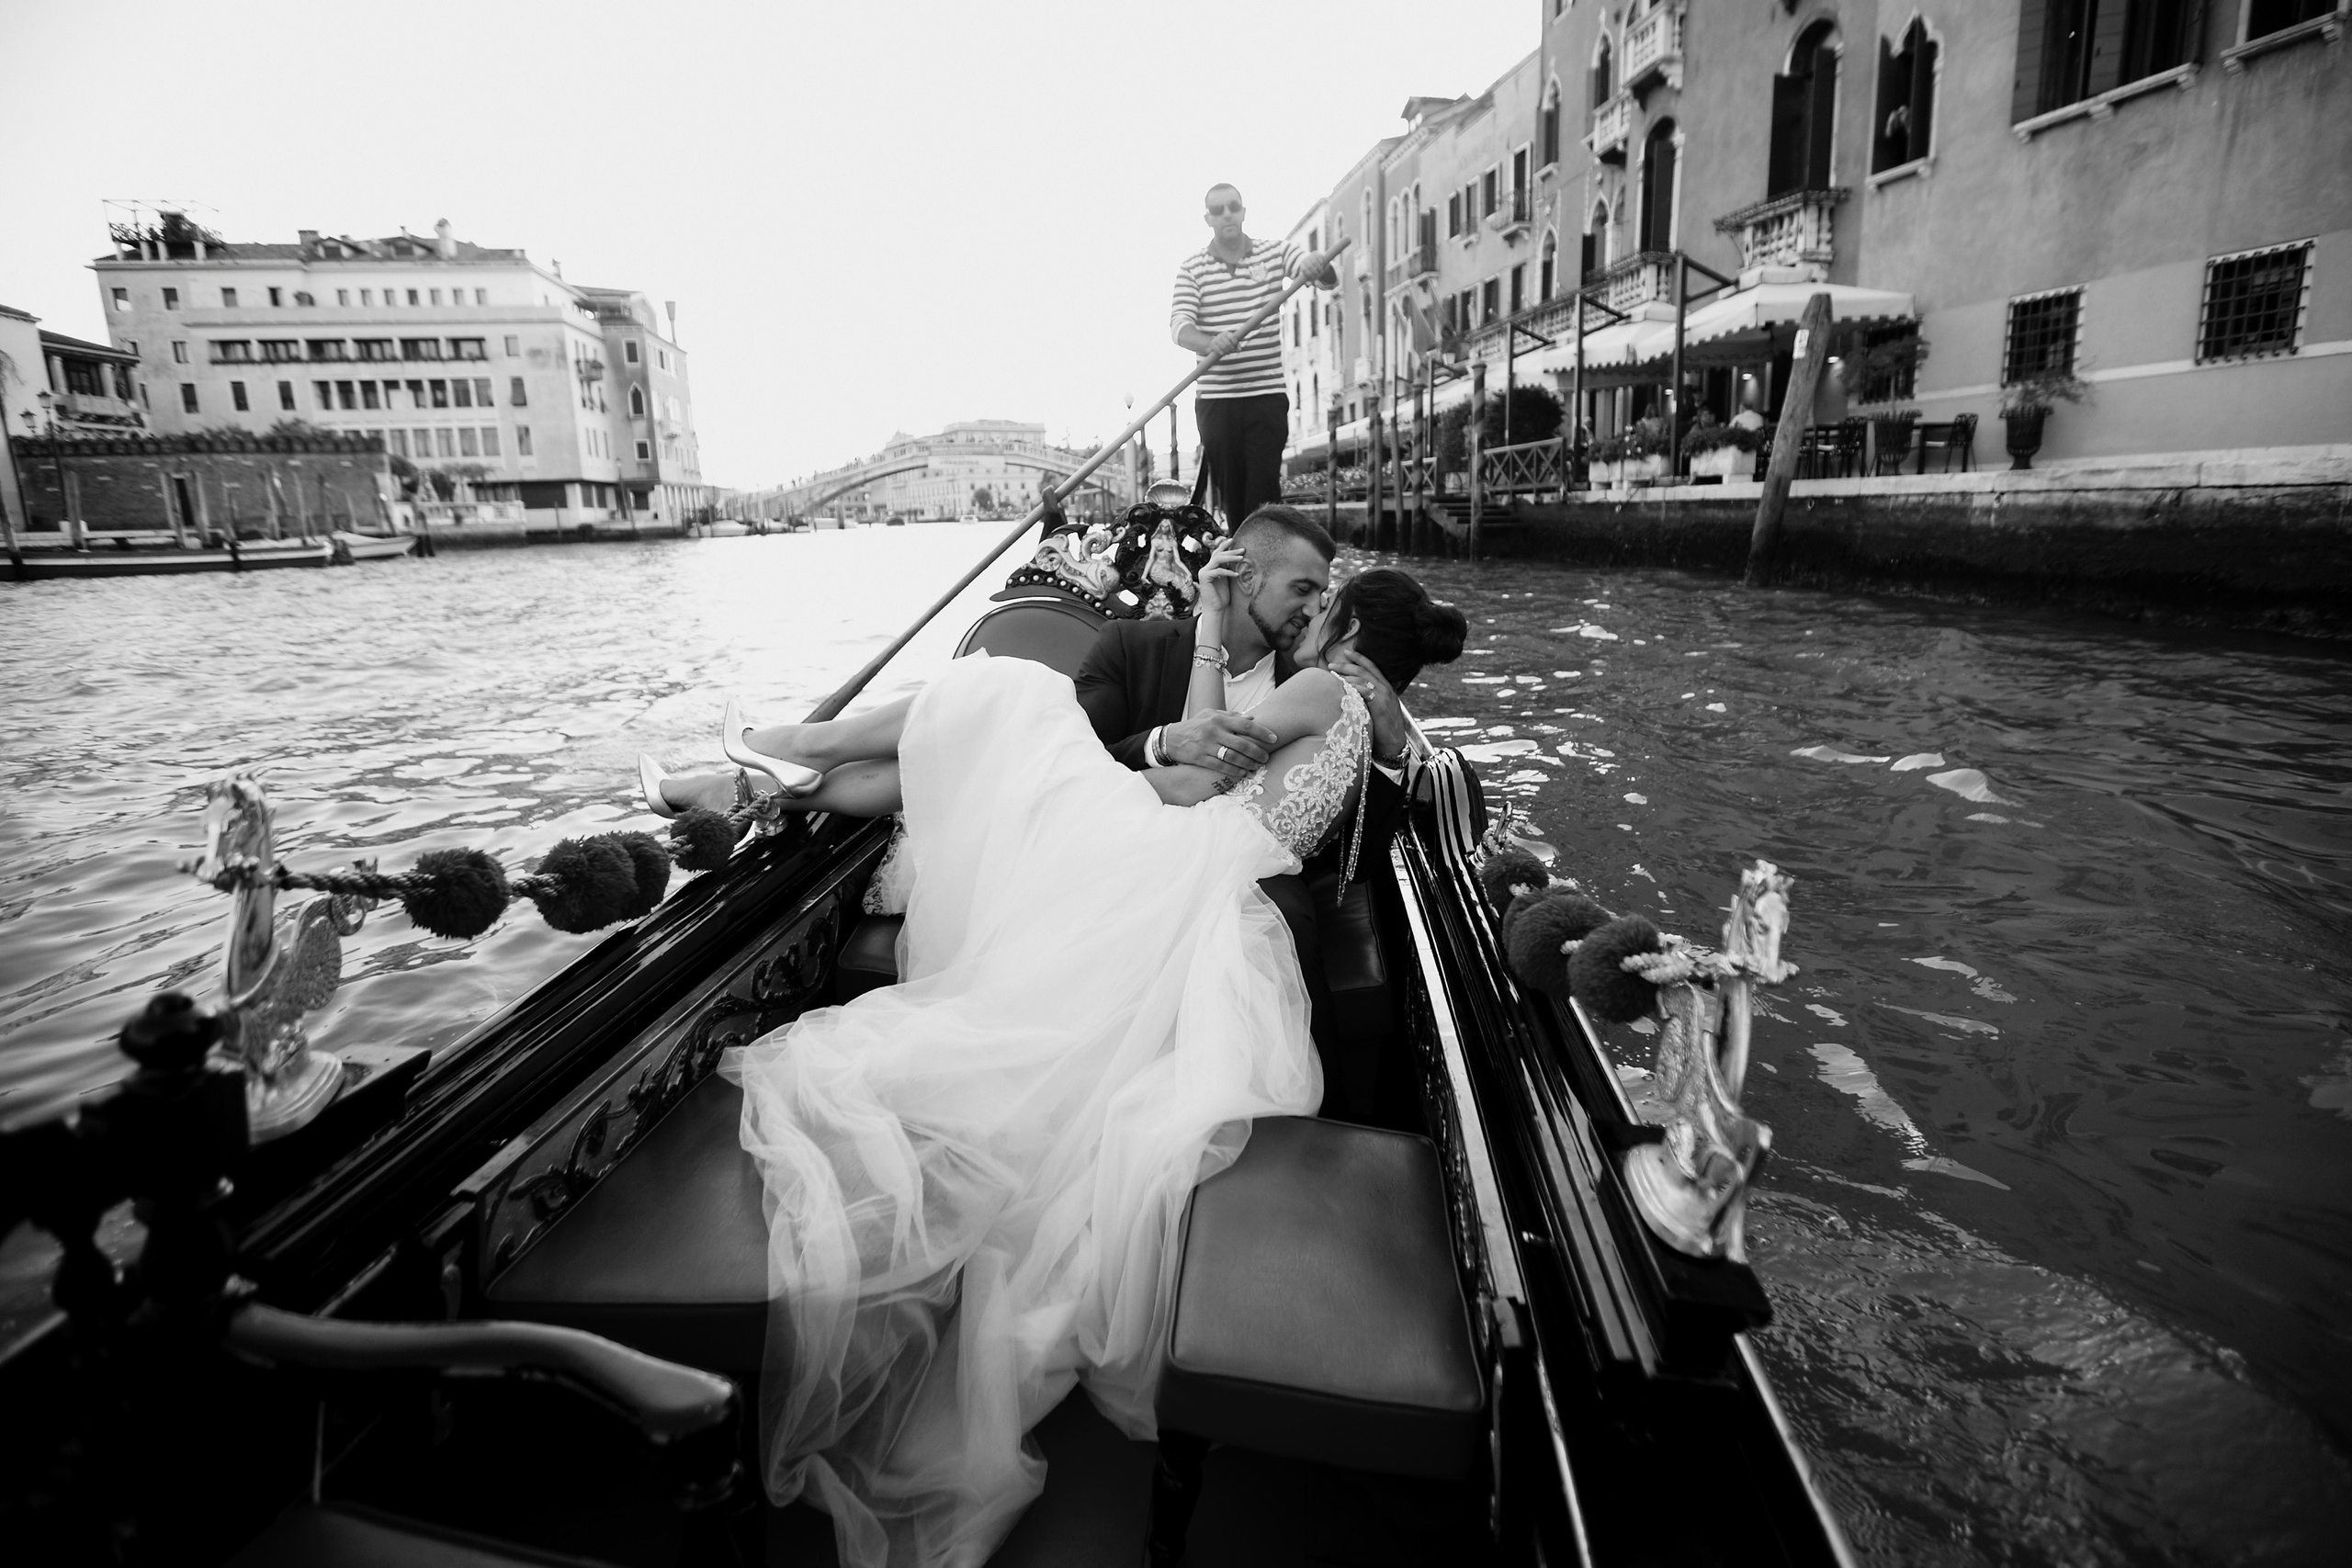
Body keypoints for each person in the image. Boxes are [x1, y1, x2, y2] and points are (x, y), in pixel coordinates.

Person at [646, 565, 1463, 1568]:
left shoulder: (1324, 688)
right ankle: (753, 776)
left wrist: (1206, 643)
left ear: (1341, 626)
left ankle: (781, 747)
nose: (1300, 618)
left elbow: (1203, 756)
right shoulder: (1369, 716)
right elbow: (1248, 762)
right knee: (959, 755)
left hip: (1185, 860)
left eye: (1314, 606)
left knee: (1010, 691)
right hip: (1211, 877)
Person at [1071, 505, 1426, 1118]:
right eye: (1305, 588)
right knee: (1015, 706)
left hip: (1252, 894)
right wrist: (1160, 743)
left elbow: (1356, 855)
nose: (1315, 609)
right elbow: (1080, 751)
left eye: (1324, 597)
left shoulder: (1314, 678)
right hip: (1134, 845)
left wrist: (1394, 752)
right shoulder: (1133, 645)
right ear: (1248, 577)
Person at [1172, 184, 1336, 524]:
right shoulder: (1193, 269)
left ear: (1243, 212)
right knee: (1233, 496)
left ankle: (1266, 565)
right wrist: (1210, 342)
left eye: (1233, 207)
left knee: (1263, 494)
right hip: (1217, 402)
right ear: (1208, 219)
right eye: (1218, 210)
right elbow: (1179, 327)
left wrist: (1316, 264)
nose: (1227, 214)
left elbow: (1322, 277)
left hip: (1266, 396)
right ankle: (1241, 567)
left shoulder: (1274, 253)